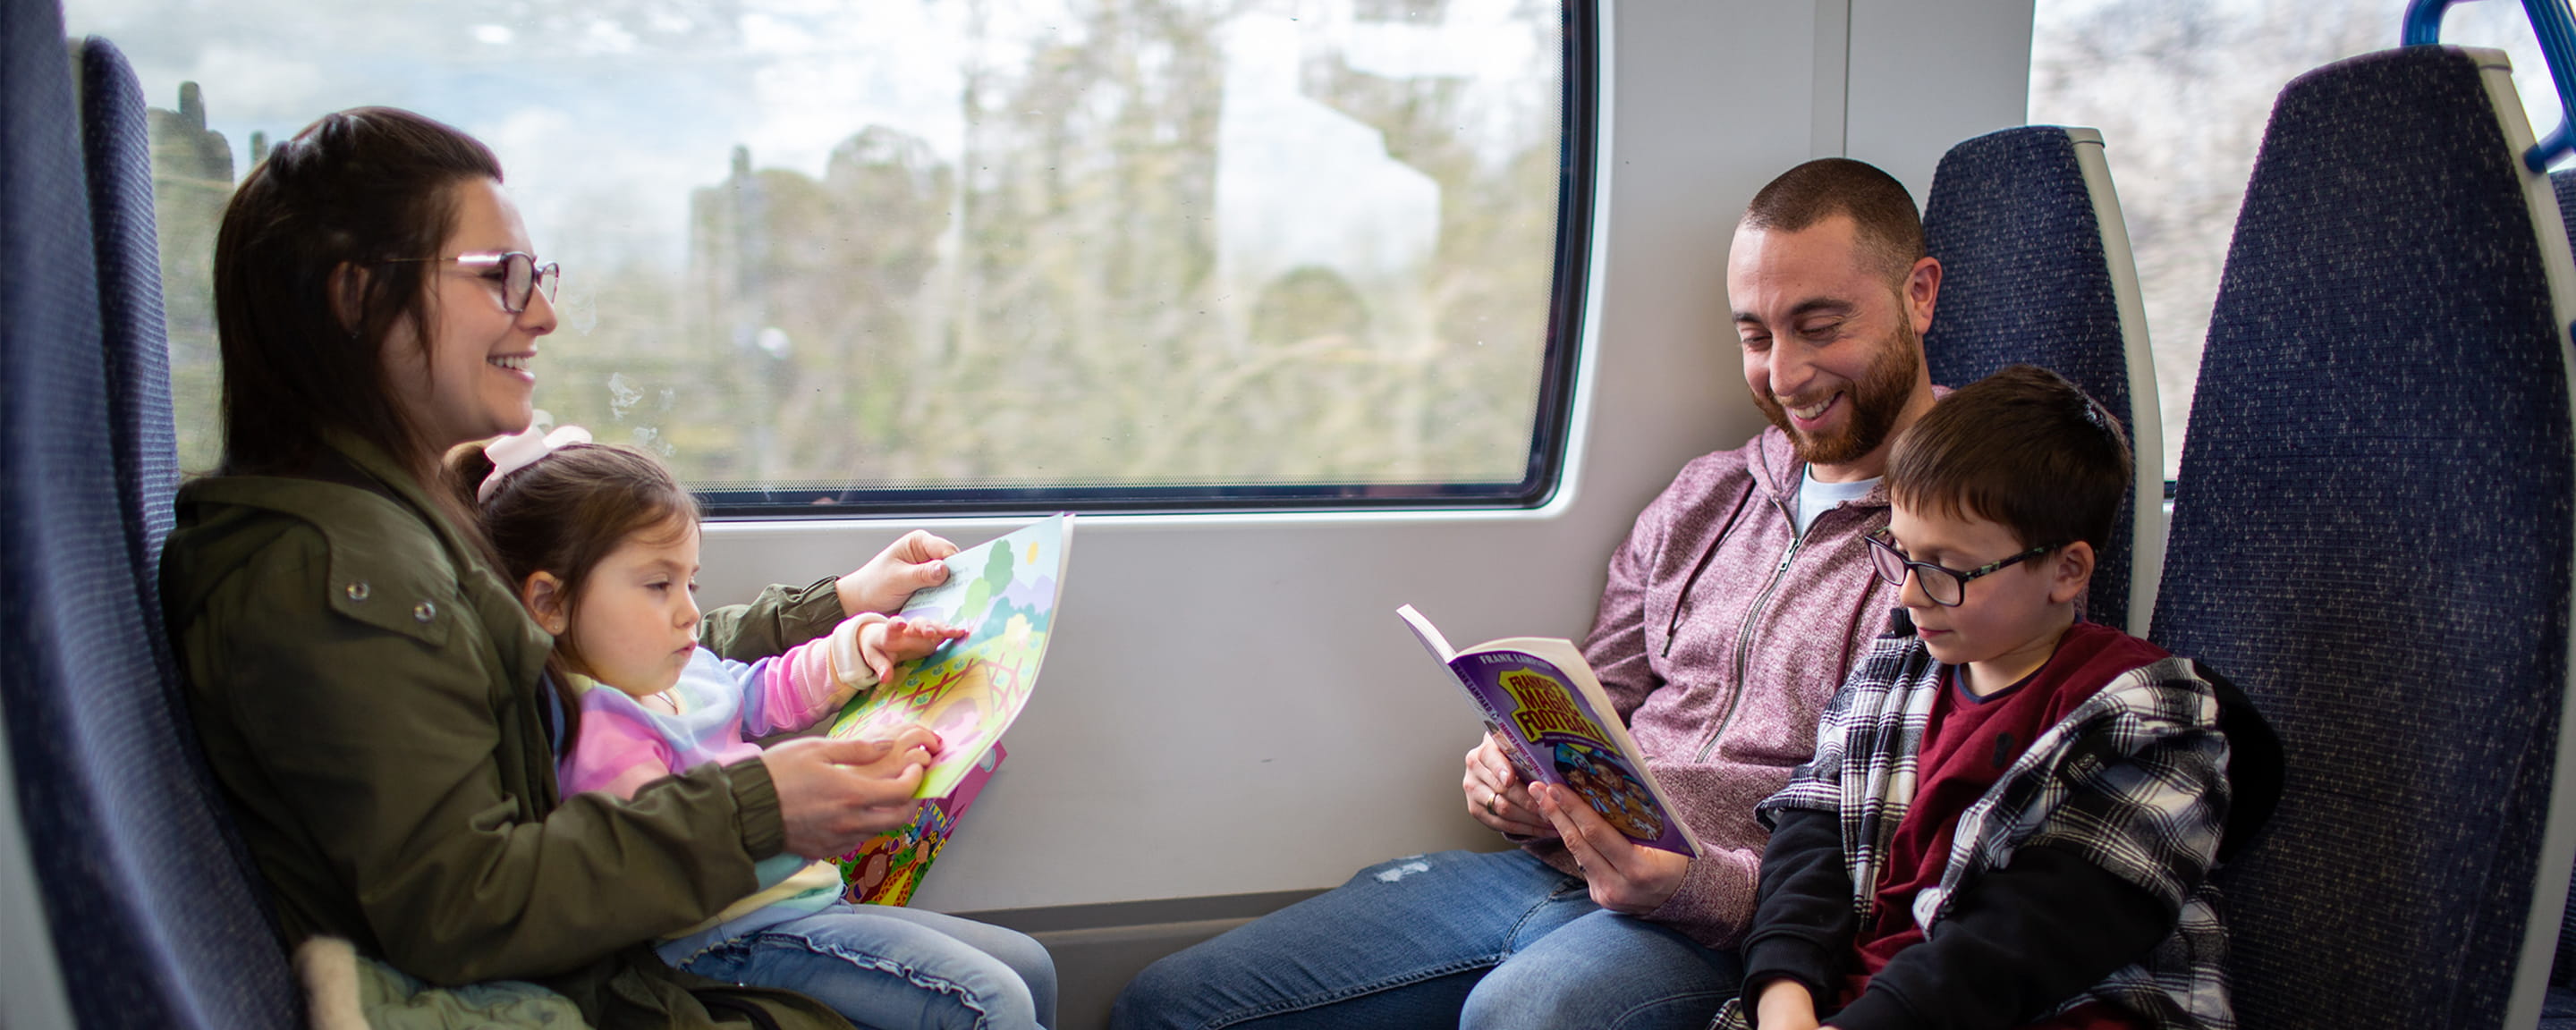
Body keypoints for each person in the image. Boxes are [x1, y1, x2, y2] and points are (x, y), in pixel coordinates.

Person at [159, 106, 952, 1028]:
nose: (543, 312)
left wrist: (834, 609)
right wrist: (752, 810)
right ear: (357, 298)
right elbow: (463, 905)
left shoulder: (420, 516)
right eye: (501, 277)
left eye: (537, 276)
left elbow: (594, 657)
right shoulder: (341, 584)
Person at [1113, 157, 1945, 1029]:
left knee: (1523, 1016)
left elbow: (1897, 852)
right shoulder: (1708, 495)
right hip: (1562, 873)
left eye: (1819, 326)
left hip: (1739, 923)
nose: (1786, 374)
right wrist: (1518, 776)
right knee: (1170, 1006)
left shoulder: (1969, 537)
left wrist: (1693, 884)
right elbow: (1602, 703)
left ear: (1918, 295)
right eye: (1755, 336)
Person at [1720, 365, 2277, 1030]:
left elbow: (2025, 940)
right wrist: (1784, 995)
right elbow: (1812, 836)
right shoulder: (1893, 671)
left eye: (1947, 569)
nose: (1907, 594)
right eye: (1899, 553)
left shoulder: (2150, 722)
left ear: (2066, 570)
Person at [455, 427, 1058, 1029]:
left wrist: (862, 645)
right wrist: (825, 810)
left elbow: (760, 689)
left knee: (1033, 965)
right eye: (658, 585)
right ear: (549, 604)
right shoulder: (594, 726)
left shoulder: (681, 669)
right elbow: (670, 856)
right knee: (993, 1001)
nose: (690, 610)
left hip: (805, 906)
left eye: (690, 583)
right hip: (730, 938)